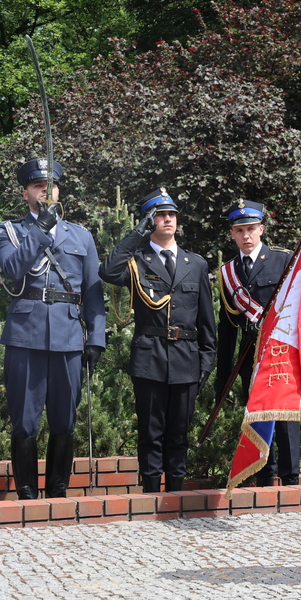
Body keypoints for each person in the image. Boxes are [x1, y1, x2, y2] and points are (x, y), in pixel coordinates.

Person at [0, 158, 106, 499]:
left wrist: (98, 338)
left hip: (69, 336)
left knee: (64, 420)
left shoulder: (81, 235)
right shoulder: (10, 232)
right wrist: (39, 230)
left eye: (52, 186)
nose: (46, 190)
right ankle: (28, 496)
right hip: (25, 335)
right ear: (25, 193)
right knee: (25, 421)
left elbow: (93, 293)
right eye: (38, 186)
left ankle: (58, 494)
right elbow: (14, 270)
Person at [98, 189, 216, 492]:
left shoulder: (196, 263)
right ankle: (150, 492)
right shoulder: (137, 261)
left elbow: (206, 323)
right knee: (151, 432)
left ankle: (175, 492)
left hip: (187, 359)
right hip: (150, 357)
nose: (167, 219)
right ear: (150, 221)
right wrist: (137, 233)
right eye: (160, 214)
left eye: (172, 214)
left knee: (179, 432)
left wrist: (204, 364)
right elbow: (108, 271)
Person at [215, 200, 299, 486]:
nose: (246, 236)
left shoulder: (283, 259)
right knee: (258, 415)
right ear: (232, 234)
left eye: (251, 229)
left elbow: (297, 306)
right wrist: (223, 374)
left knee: (285, 416)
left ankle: (290, 479)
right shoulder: (228, 271)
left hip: (281, 352)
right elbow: (227, 326)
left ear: (261, 229)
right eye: (240, 231)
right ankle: (264, 476)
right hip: (249, 356)